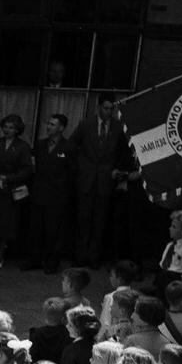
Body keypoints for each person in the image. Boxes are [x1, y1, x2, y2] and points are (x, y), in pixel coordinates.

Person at [72, 94, 126, 266]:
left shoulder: (118, 128)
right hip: (86, 179)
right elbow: (73, 146)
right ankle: (80, 256)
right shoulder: (85, 124)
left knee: (100, 222)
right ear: (99, 107)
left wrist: (116, 171)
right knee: (83, 220)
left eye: (111, 109)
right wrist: (80, 168)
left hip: (105, 180)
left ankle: (94, 257)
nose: (108, 112)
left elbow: (121, 153)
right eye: (106, 108)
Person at [27, 112, 76, 274]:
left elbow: (72, 173)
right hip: (39, 193)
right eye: (48, 123)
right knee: (35, 230)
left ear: (61, 128)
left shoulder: (69, 147)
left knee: (53, 232)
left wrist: (64, 194)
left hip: (57, 197)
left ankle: (51, 262)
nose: (48, 127)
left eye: (52, 124)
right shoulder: (40, 144)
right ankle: (34, 260)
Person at [0, 114, 33, 270]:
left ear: (17, 130)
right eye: (5, 126)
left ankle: (0, 255)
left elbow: (26, 169)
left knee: (6, 224)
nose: (7, 130)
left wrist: (9, 177)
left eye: (11, 127)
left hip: (10, 191)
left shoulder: (23, 147)